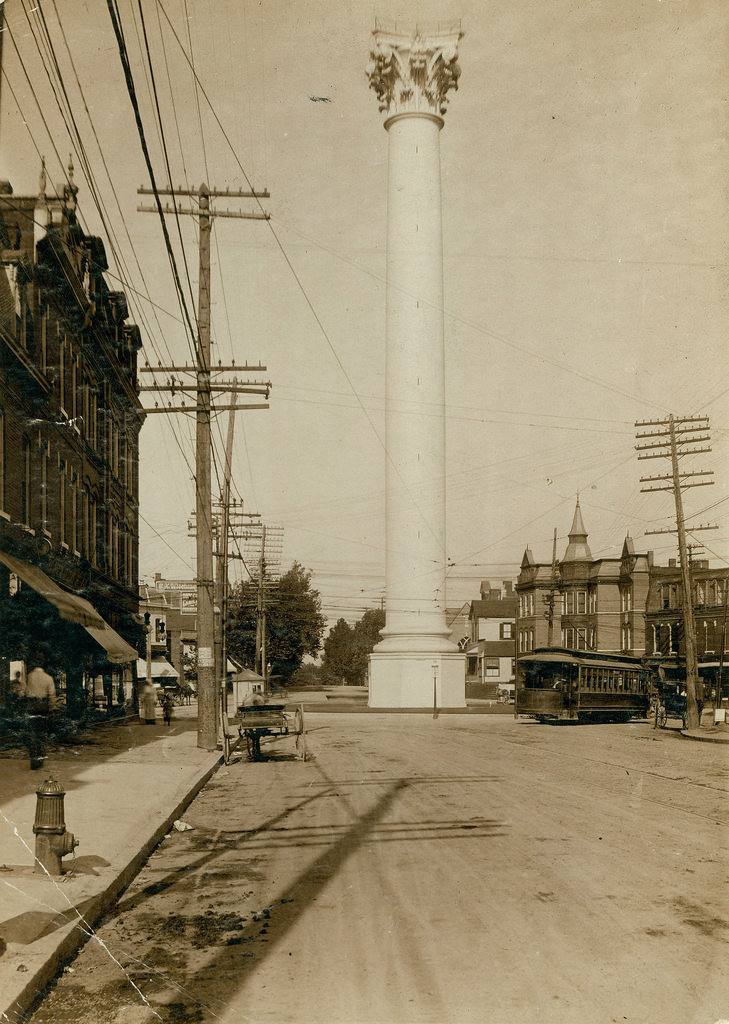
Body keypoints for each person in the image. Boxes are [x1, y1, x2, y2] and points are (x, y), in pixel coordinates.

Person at [22, 662, 57, 770]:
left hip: (31, 706)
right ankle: (40, 758)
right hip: (43, 707)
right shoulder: (48, 678)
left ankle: (33, 759)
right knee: (41, 733)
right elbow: (52, 695)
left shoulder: (29, 677)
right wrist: (52, 710)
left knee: (31, 733)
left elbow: (23, 691)